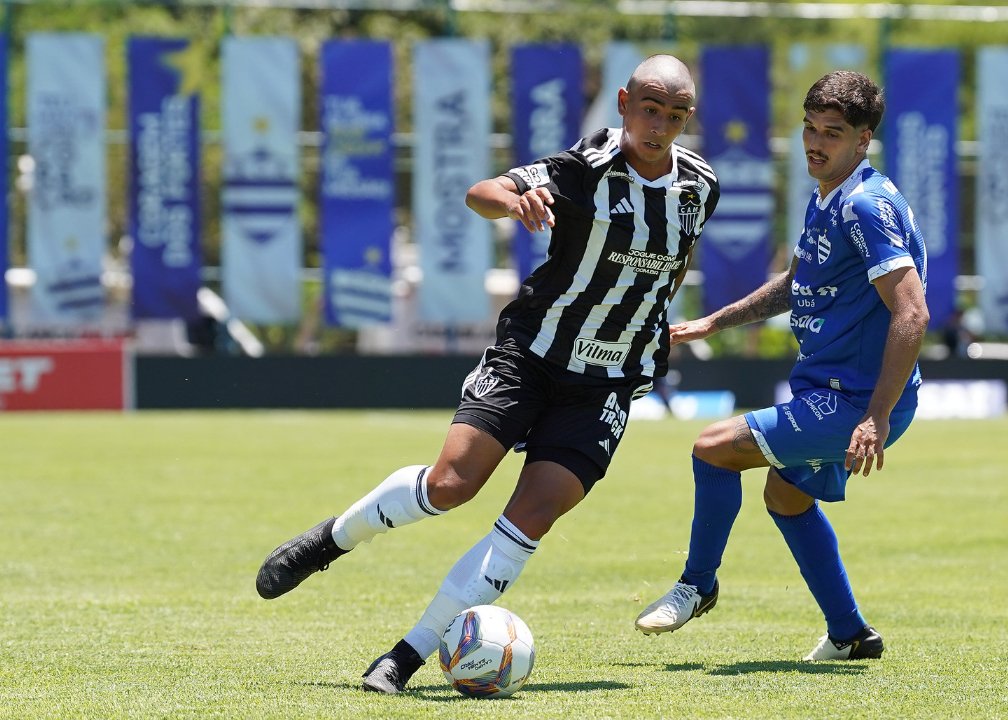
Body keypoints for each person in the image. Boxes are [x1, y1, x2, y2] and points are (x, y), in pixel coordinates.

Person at [254, 54, 719, 694]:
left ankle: (405, 657)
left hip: (608, 381)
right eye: (648, 109)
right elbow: (482, 192)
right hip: (533, 352)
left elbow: (669, 261)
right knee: (450, 485)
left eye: (673, 115)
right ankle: (329, 541)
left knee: (533, 514)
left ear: (686, 117)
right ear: (623, 103)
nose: (658, 125)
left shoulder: (701, 185)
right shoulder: (581, 168)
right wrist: (515, 202)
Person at [633, 70, 929, 661]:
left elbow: (912, 312)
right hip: (828, 390)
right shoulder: (830, 198)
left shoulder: (866, 205)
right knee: (787, 498)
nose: (816, 144)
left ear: (863, 138)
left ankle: (697, 584)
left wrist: (874, 417)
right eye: (810, 129)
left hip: (853, 400)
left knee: (712, 447)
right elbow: (794, 286)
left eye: (834, 134)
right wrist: (713, 323)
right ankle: (850, 635)